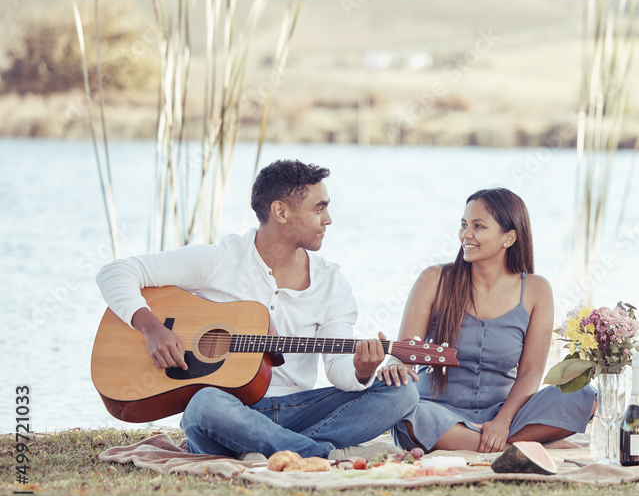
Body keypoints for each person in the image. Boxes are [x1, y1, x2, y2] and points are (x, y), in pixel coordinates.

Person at [95, 159, 419, 459]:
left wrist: (363, 370)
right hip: (230, 409)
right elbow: (115, 272)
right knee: (203, 405)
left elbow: (339, 370)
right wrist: (152, 328)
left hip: (300, 408)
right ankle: (318, 454)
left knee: (403, 394)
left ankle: (270, 448)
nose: (328, 220)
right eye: (319, 209)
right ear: (281, 211)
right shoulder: (221, 259)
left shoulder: (331, 282)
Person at [377, 187, 596, 453]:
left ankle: (488, 442)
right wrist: (394, 362)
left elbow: (530, 372)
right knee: (412, 417)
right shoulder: (434, 280)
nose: (466, 235)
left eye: (478, 226)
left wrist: (502, 422)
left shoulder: (537, 290)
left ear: (509, 237)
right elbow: (405, 352)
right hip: (436, 411)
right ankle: (511, 447)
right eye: (464, 225)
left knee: (584, 395)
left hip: (505, 414)